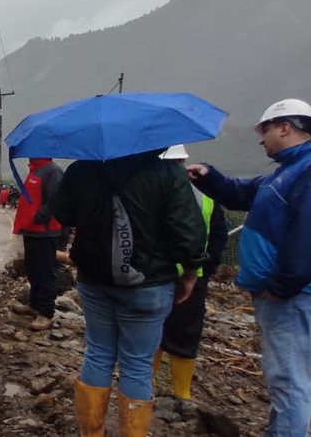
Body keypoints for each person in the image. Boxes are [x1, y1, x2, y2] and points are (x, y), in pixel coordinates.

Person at [49, 150, 206, 437]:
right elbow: (188, 230)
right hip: (151, 283)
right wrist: (190, 271)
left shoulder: (81, 169)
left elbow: (63, 213)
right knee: (137, 364)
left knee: (97, 353)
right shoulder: (166, 173)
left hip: (95, 278)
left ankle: (91, 432)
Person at [186, 98, 311, 436]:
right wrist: (209, 176)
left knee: (289, 380)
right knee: (285, 377)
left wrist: (281, 287)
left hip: (292, 298)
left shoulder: (306, 172)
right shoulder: (286, 172)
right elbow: (241, 193)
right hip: (283, 295)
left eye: (265, 129)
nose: (261, 138)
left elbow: (306, 239)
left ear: (286, 127)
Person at [153, 145, 229, 401]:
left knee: (154, 328)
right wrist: (206, 268)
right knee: (184, 331)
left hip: (161, 272)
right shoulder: (203, 192)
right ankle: (179, 392)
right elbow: (218, 234)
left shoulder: (151, 188)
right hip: (191, 272)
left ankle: (151, 385)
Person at [11, 158, 66, 331]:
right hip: (31, 231)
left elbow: (56, 200)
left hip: (45, 231)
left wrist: (38, 216)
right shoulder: (34, 171)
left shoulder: (52, 171)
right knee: (32, 269)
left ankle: (47, 312)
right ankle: (34, 304)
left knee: (45, 272)